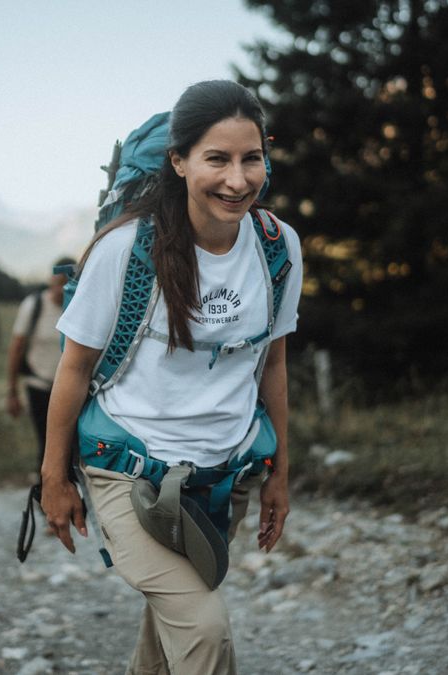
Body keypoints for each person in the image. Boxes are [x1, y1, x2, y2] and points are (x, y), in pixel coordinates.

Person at [40, 80, 303, 674]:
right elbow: (75, 368)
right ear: (179, 162)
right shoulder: (125, 251)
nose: (238, 180)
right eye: (217, 159)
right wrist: (54, 477)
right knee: (205, 632)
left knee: (174, 621)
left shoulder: (277, 248)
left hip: (222, 476)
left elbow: (275, 365)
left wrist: (280, 474)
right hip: (128, 470)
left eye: (251, 158)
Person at [6, 257, 75, 475]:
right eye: (56, 283)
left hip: (69, 389)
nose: (59, 290)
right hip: (39, 385)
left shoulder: (78, 306)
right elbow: (16, 348)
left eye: (65, 284)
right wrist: (12, 392)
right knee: (48, 447)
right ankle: (48, 496)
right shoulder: (33, 306)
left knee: (72, 448)